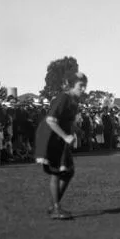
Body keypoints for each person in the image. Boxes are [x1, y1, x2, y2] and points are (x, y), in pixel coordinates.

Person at [34, 71, 87, 220]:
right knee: (57, 171)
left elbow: (68, 121)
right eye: (80, 86)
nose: (83, 89)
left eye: (84, 86)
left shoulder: (74, 100)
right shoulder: (63, 97)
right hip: (51, 136)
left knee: (68, 172)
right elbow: (51, 120)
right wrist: (65, 136)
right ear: (71, 85)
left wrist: (78, 130)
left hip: (60, 136)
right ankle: (56, 208)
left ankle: (54, 206)